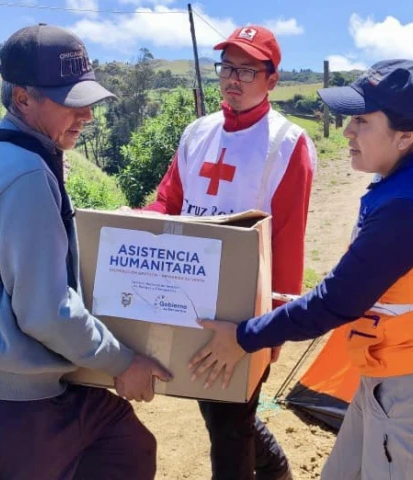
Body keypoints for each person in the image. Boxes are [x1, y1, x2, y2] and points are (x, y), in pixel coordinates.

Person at [189, 59, 413, 479]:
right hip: (395, 374)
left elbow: (336, 301)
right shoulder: (411, 182)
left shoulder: (409, 209)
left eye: (362, 121)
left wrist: (243, 337)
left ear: (405, 136)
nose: (347, 130)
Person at [0, 24, 171, 480]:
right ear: (23, 99)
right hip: (4, 402)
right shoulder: (21, 172)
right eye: (71, 101)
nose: (85, 115)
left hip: (48, 385)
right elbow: (44, 311)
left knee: (128, 450)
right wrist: (123, 361)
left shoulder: (8, 153)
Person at [145, 24, 317, 480]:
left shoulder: (288, 144)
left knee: (228, 422)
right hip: (188, 292)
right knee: (214, 404)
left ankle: (270, 468)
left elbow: (289, 238)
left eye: (247, 70)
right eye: (227, 67)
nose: (233, 79)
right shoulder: (197, 132)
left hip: (245, 305)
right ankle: (275, 466)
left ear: (272, 80)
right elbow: (168, 200)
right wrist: (138, 221)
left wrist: (274, 327)